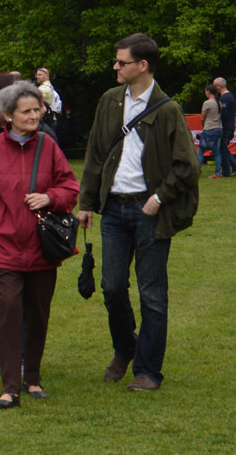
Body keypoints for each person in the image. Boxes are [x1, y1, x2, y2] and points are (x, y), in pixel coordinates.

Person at [77, 33, 200, 392]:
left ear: (142, 65)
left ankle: (148, 371)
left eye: (121, 62)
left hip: (149, 212)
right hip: (113, 209)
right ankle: (125, 347)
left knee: (152, 295)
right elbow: (96, 153)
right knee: (112, 287)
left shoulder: (168, 110)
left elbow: (188, 167)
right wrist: (86, 202)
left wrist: (159, 198)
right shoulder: (109, 101)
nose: (115, 67)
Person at [0, 81, 79, 407]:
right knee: (9, 310)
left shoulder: (49, 147)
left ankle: (33, 378)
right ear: (8, 115)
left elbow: (70, 188)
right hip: (3, 247)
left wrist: (50, 197)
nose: (34, 115)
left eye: (37, 109)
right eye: (27, 111)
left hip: (42, 247)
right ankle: (10, 386)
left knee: (38, 314)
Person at [213, 77, 236, 178]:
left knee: (222, 148)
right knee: (223, 148)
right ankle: (232, 167)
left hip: (226, 126)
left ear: (218, 87)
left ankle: (231, 167)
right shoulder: (231, 96)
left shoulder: (224, 98)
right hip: (230, 125)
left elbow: (224, 114)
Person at [198, 84, 222, 176]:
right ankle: (217, 173)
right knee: (217, 152)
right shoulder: (219, 102)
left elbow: (202, 118)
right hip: (219, 128)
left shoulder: (207, 103)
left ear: (208, 91)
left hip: (209, 128)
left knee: (201, 150)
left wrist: (203, 127)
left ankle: (197, 171)